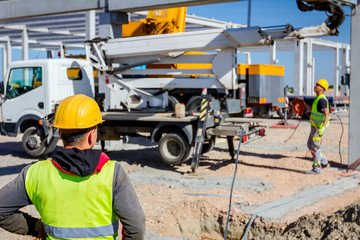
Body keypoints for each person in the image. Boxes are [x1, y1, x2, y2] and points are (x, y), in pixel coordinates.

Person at [0, 94, 146, 239]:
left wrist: (36, 227)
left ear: (60, 133)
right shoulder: (113, 173)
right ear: (92, 135)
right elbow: (136, 227)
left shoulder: (34, 173)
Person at [302, 79, 331, 174]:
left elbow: (327, 114)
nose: (316, 86)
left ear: (322, 88)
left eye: (318, 85)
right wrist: (305, 105)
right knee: (310, 144)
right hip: (314, 127)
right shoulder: (317, 98)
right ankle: (324, 163)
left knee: (314, 147)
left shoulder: (322, 100)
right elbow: (313, 110)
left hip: (319, 128)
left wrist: (322, 128)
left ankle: (317, 168)